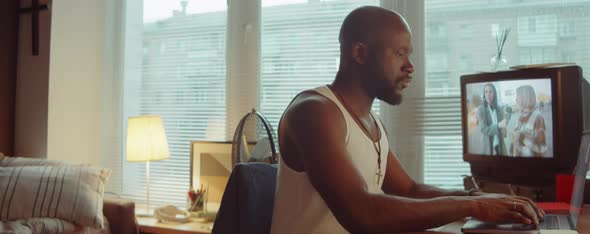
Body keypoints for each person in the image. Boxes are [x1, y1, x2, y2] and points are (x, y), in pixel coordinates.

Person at [270, 6, 544, 233]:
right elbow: (362, 213)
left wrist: (479, 198)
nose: (410, 66)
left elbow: (410, 190)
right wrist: (474, 208)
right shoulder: (314, 112)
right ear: (360, 53)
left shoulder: (371, 122)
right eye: (400, 53)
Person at [510, 85, 547, 157]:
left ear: (525, 98)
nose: (516, 99)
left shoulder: (538, 117)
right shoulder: (521, 116)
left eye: (518, 96)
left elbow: (541, 148)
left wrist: (521, 137)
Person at [476, 83, 508, 156]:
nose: (488, 94)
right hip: (488, 148)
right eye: (486, 92)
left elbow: (504, 131)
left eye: (490, 92)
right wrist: (499, 125)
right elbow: (484, 129)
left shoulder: (499, 109)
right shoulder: (480, 109)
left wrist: (505, 128)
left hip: (499, 146)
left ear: (494, 94)